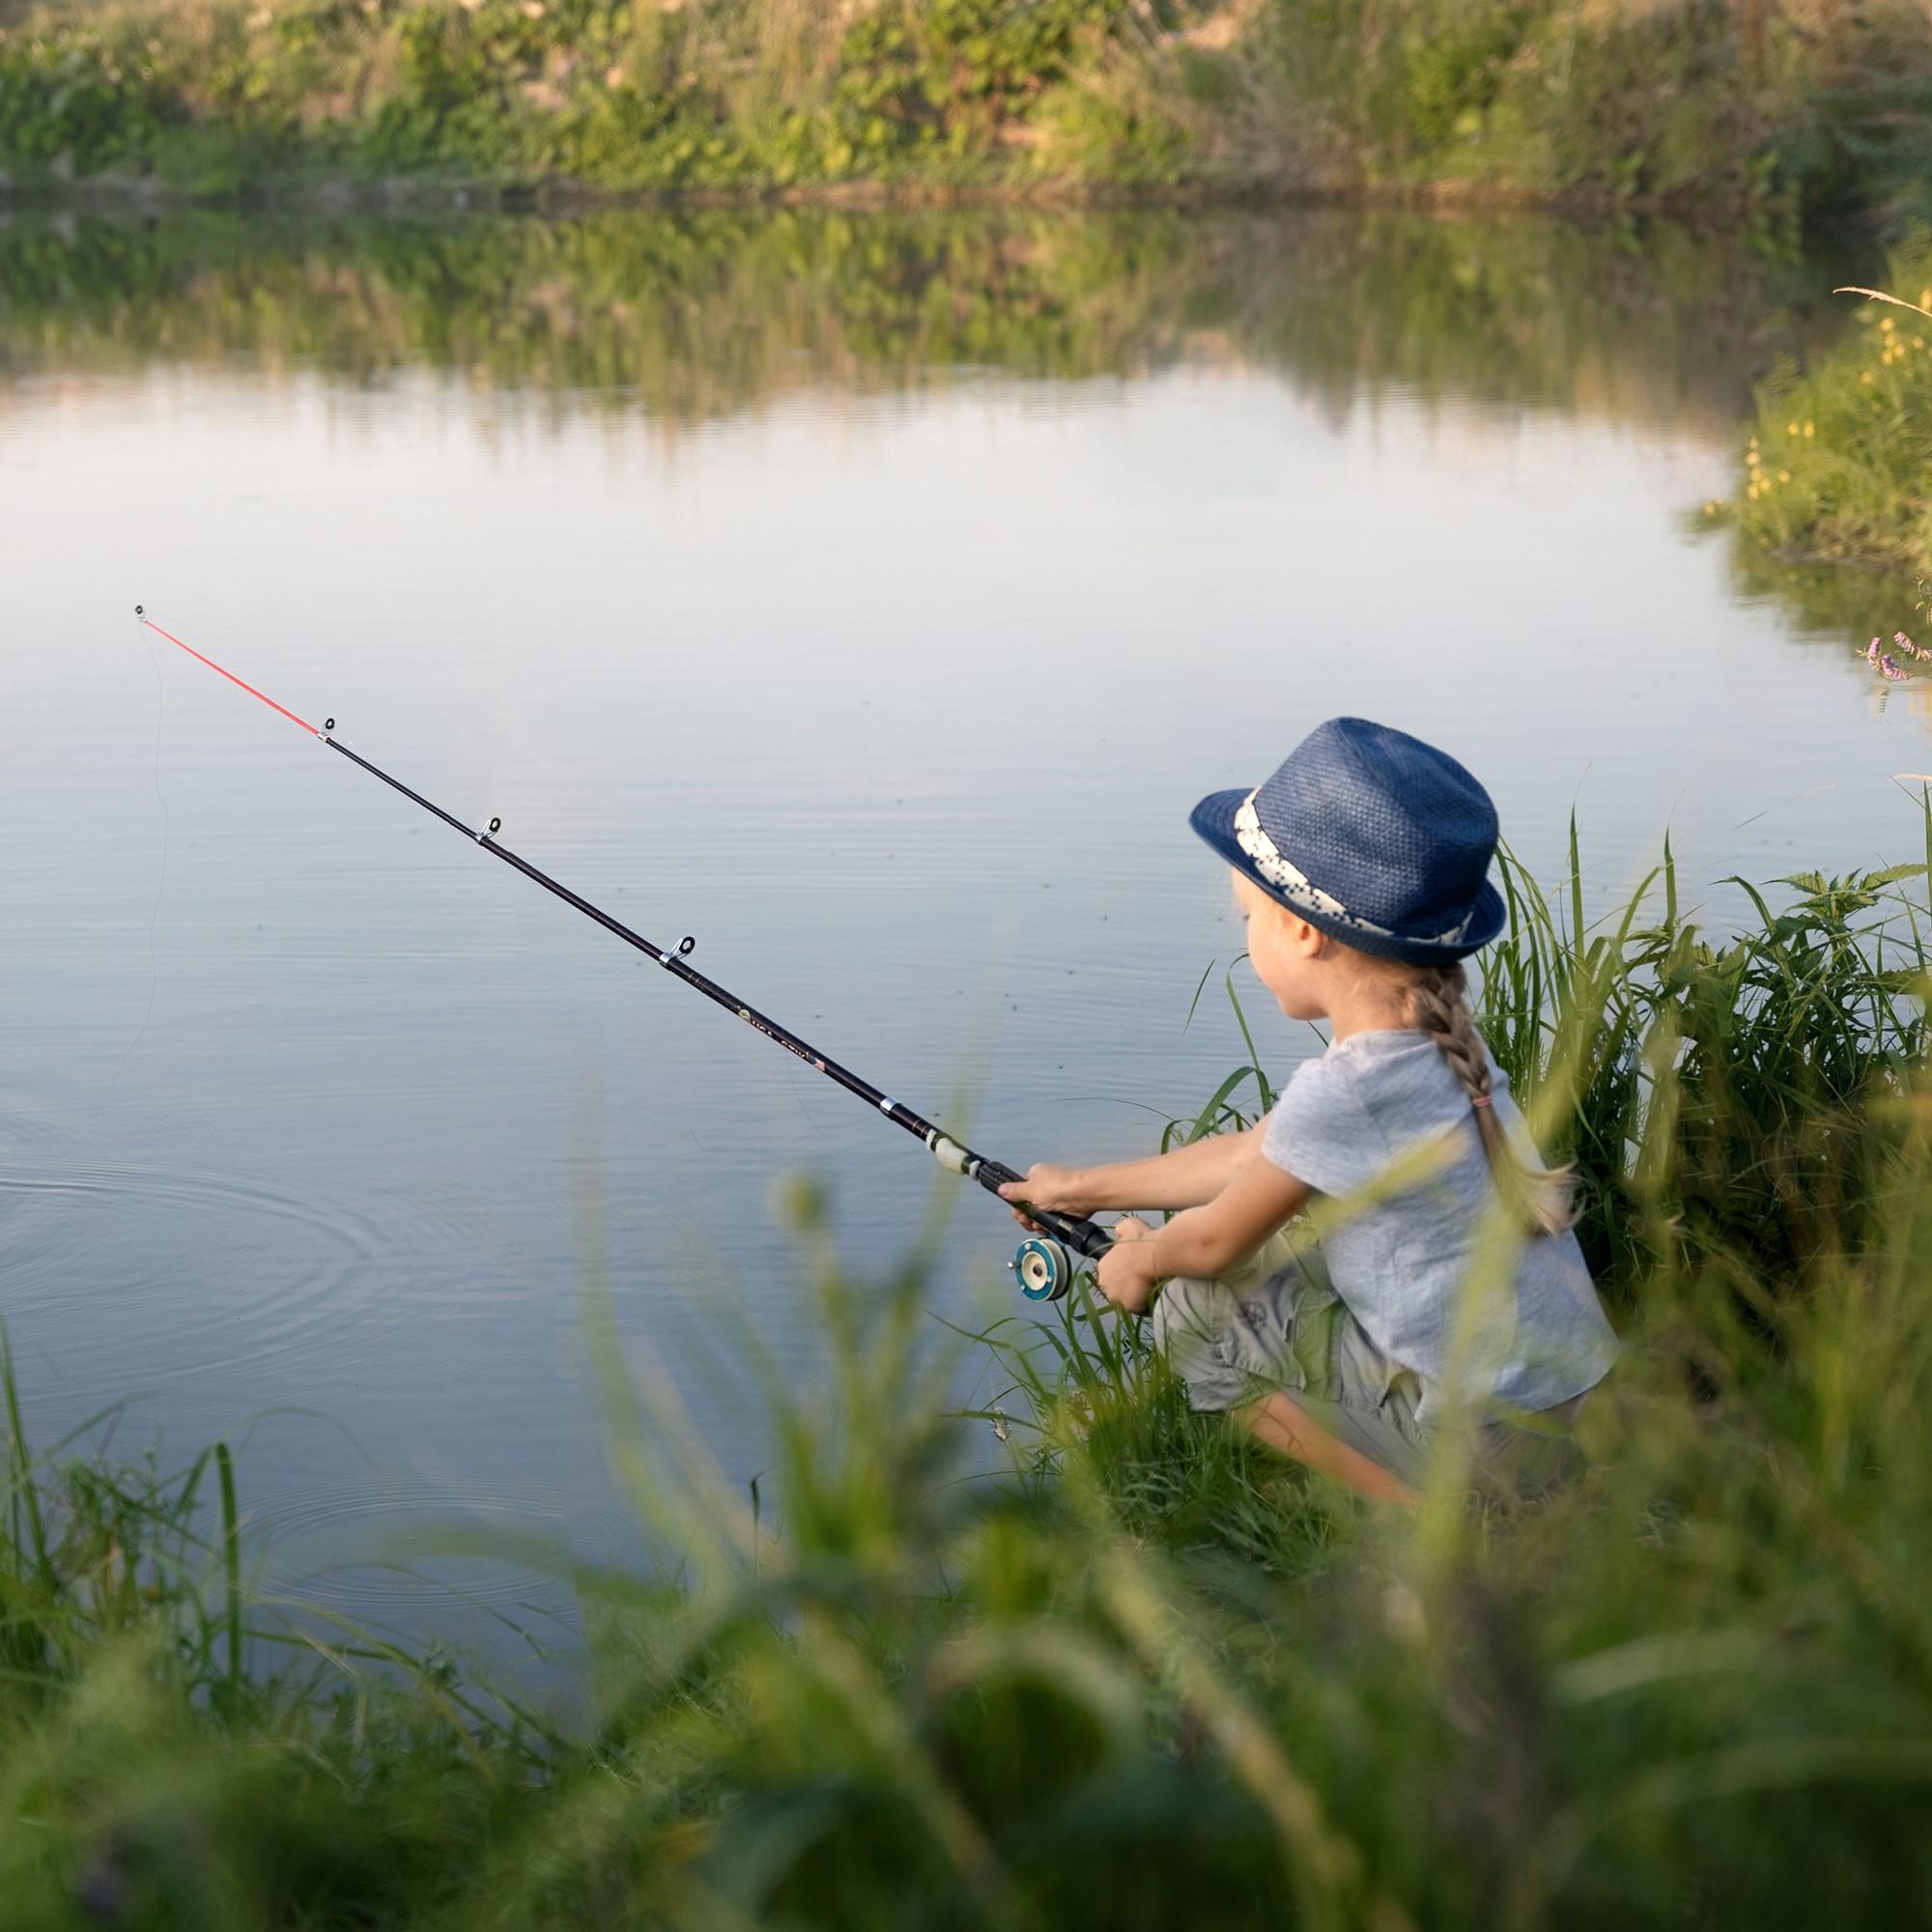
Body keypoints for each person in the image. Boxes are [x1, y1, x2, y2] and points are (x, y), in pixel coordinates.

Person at [1001, 718, 1618, 1504]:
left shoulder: (1347, 1090)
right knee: (1290, 1253)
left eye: (1249, 919)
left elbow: (1217, 1241)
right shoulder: (1439, 1045)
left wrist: (1143, 1261)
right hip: (1568, 1405)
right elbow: (1249, 1155)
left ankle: (1435, 1521)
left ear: (1301, 930)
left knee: (1190, 1313)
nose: (1246, 935)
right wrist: (1079, 1191)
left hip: (1490, 1446)